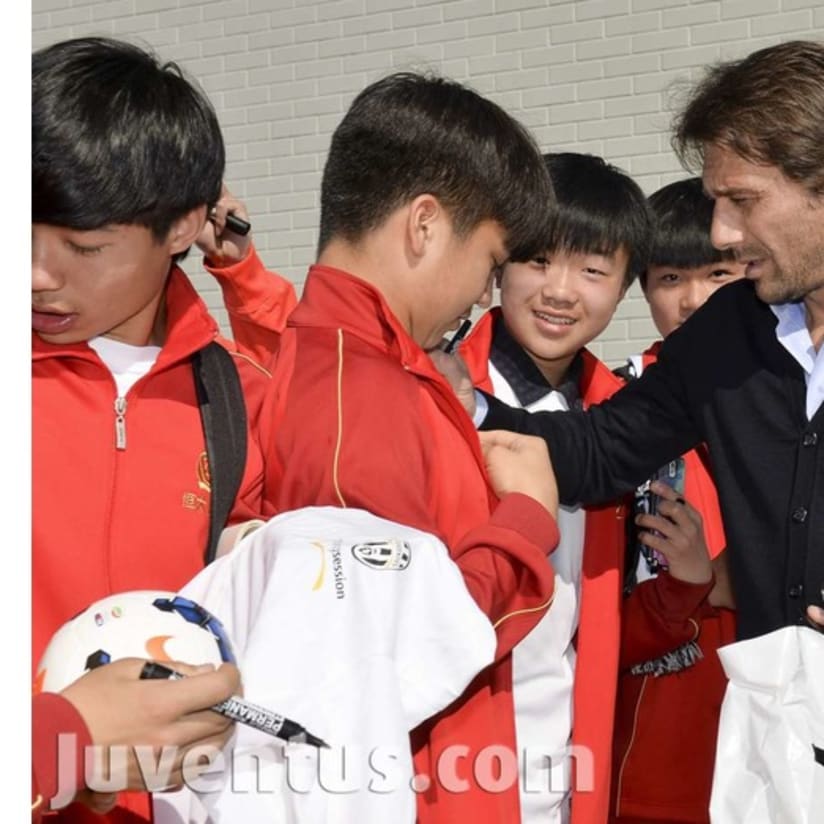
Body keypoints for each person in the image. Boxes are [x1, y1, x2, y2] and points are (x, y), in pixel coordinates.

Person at [256, 71, 561, 823]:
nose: (485, 296)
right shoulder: (355, 395)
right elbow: (387, 659)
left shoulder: (366, 372)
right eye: (491, 264)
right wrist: (525, 517)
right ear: (424, 225)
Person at [452, 39, 824, 639]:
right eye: (715, 202)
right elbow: (600, 453)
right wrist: (461, 401)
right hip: (769, 717)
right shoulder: (729, 330)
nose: (722, 233)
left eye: (744, 201)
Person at [32, 36, 293, 821]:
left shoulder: (231, 399)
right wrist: (60, 737)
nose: (36, 274)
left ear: (183, 225)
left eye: (82, 246)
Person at [442, 152, 721, 824]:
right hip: (450, 758)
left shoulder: (624, 423)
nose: (561, 291)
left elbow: (600, 630)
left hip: (576, 767)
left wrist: (681, 591)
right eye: (538, 261)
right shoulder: (441, 393)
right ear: (496, 264)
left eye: (593, 271)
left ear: (626, 286)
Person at [610, 177, 743, 824]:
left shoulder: (798, 397)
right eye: (668, 279)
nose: (694, 301)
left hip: (778, 730)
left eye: (717, 273)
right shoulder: (615, 407)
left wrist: (726, 577)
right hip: (656, 750)